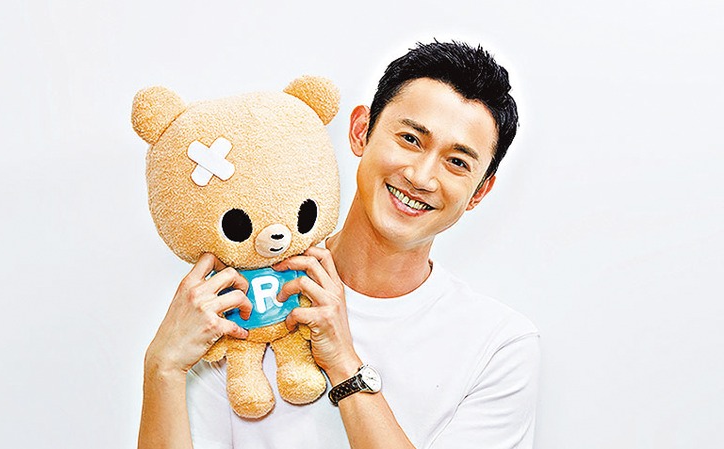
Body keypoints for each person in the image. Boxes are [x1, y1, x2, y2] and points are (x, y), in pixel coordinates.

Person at [138, 40, 540, 449]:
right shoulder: (238, 303)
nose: (421, 177)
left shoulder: (500, 346)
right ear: (361, 131)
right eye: (410, 139)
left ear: (479, 192)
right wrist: (162, 367)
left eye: (457, 162)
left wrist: (344, 363)